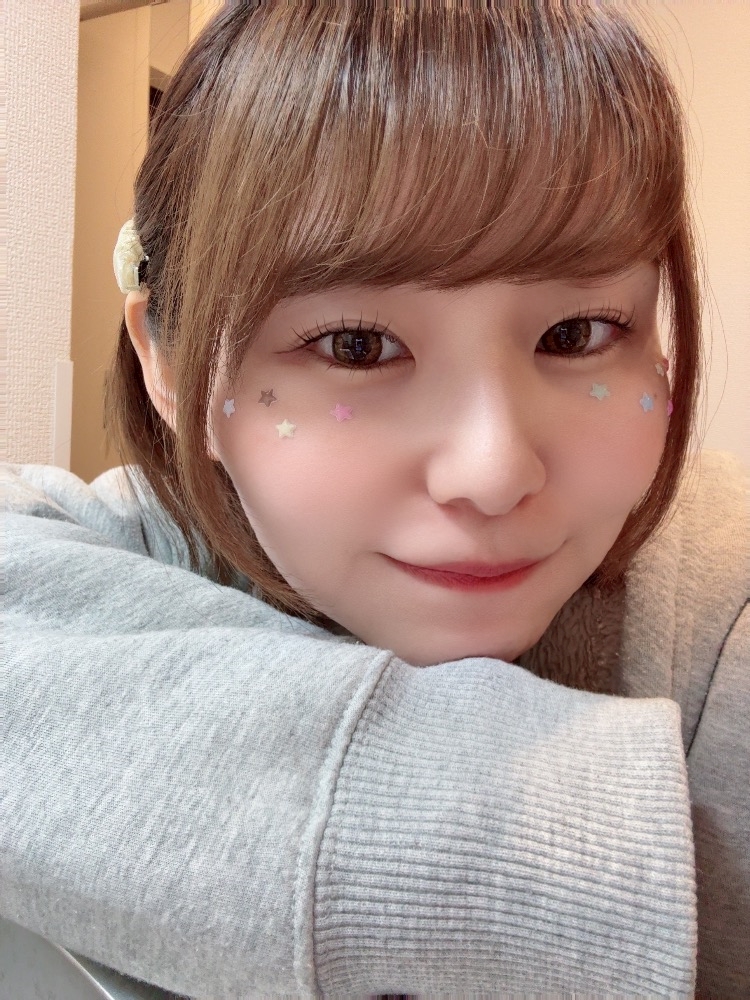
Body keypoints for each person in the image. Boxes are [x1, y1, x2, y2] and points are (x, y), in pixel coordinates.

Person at [2, 3, 748, 998]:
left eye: (576, 334)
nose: (494, 471)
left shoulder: (721, 612)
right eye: (356, 346)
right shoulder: (128, 546)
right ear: (168, 365)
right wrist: (544, 841)